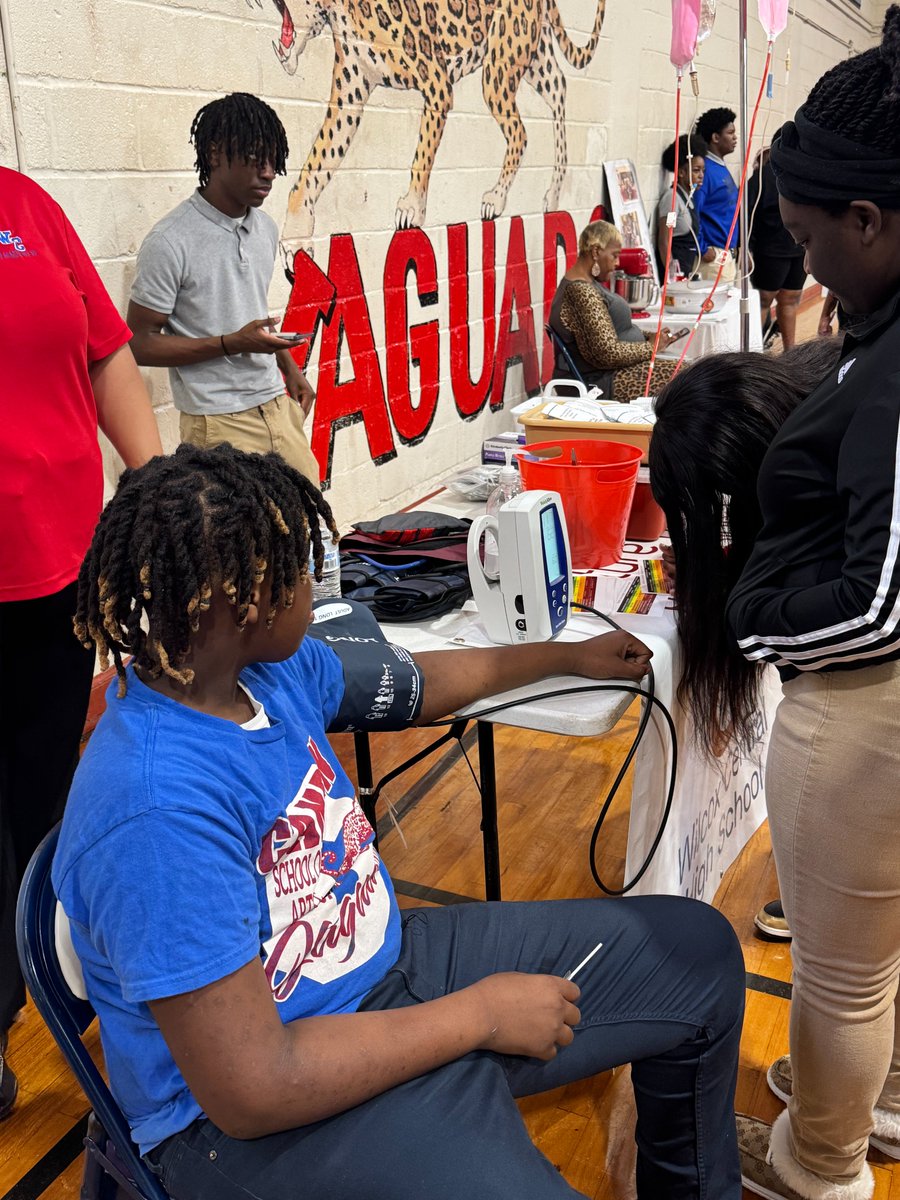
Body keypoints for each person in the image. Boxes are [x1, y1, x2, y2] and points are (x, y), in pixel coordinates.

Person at [53, 443, 747, 1199]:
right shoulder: (153, 806)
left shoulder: (266, 673)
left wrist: (565, 656)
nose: (318, 584)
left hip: (382, 973)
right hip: (247, 1124)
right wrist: (479, 1016)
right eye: (301, 570)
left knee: (699, 957)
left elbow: (420, 683)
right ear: (246, 601)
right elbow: (255, 1089)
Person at [727, 11, 900, 1196]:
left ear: (869, 220)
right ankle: (875, 1101)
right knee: (876, 963)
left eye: (807, 238)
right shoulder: (878, 335)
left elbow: (881, 607)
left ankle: (817, 1165)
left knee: (839, 979)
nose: (804, 266)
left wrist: (756, 620)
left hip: (865, 706)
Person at [0, 166, 162, 1117]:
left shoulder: (26, 205)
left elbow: (107, 355)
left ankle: (66, 989)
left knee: (45, 799)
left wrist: (160, 490)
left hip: (59, 579)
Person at [127, 92, 320, 485]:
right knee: (240, 528)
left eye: (274, 160)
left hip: (275, 406)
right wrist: (231, 344)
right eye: (256, 158)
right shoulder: (170, 241)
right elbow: (140, 343)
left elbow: (250, 312)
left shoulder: (264, 228)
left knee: (310, 518)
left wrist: (290, 369)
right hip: (216, 423)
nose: (269, 172)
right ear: (215, 154)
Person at [548, 220, 681, 400]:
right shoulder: (580, 292)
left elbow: (609, 331)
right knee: (689, 379)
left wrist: (647, 337)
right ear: (596, 251)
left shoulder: (587, 284)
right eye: (614, 255)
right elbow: (606, 354)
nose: (617, 263)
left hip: (610, 374)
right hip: (599, 383)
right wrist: (651, 347)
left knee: (693, 374)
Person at [748, 135, 807, 350]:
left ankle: (790, 352)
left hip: (799, 248)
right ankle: (754, 351)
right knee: (764, 300)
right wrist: (746, 248)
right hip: (770, 249)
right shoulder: (762, 176)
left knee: (790, 298)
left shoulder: (803, 175)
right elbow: (748, 213)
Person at [693, 107, 739, 283]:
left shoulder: (720, 167)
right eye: (730, 133)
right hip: (712, 258)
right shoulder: (705, 171)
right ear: (715, 137)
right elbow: (694, 210)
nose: (735, 137)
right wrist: (702, 248)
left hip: (726, 256)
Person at [657, 133, 709, 279]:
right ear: (681, 172)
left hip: (686, 272)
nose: (701, 175)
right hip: (674, 276)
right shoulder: (673, 200)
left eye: (703, 171)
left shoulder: (688, 199)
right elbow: (664, 240)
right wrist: (672, 274)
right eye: (696, 170)